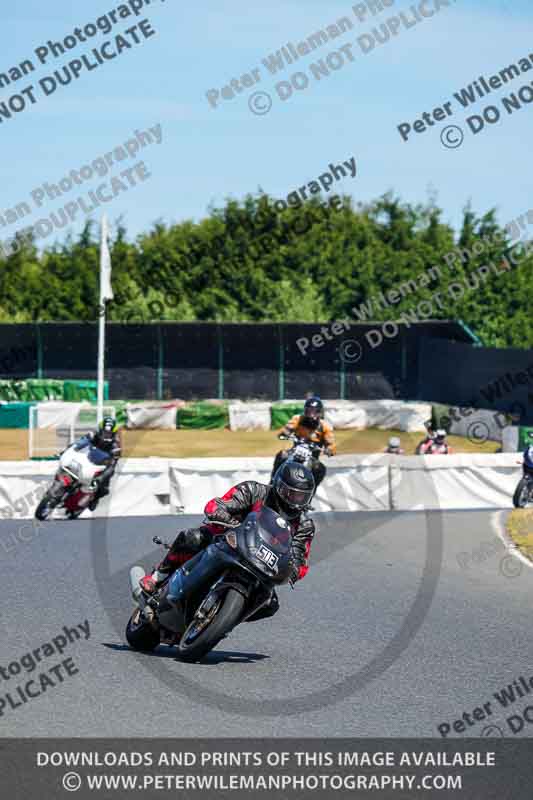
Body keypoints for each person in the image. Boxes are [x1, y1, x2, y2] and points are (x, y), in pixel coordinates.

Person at [139, 461, 316, 621]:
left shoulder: (304, 526)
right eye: (291, 494)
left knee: (269, 604)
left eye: (301, 497)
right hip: (227, 539)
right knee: (192, 538)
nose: (295, 502)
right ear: (278, 486)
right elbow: (218, 505)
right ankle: (157, 577)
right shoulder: (253, 491)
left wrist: (292, 571)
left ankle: (222, 619)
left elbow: (300, 557)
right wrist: (230, 522)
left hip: (262, 563)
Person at [271, 396, 336, 488]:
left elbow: (331, 443)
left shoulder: (325, 426)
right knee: (281, 455)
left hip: (312, 457)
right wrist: (285, 432)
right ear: (305, 411)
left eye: (315, 411)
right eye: (309, 411)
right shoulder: (298, 418)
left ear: (320, 413)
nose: (311, 414)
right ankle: (273, 481)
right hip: (295, 451)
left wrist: (329, 449)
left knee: (320, 469)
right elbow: (287, 428)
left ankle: (311, 491)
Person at [84, 417, 122, 509]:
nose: (106, 435)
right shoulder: (94, 435)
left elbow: (113, 462)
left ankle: (95, 497)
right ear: (100, 430)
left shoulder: (116, 444)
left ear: (113, 433)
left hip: (103, 466)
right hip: (88, 459)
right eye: (105, 432)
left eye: (109, 433)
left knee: (104, 489)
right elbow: (81, 442)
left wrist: (115, 455)